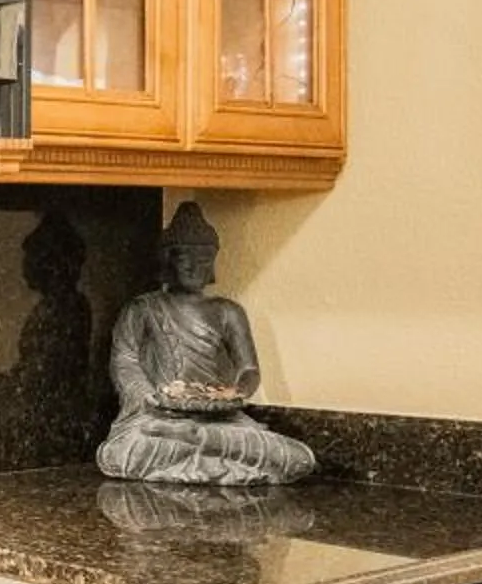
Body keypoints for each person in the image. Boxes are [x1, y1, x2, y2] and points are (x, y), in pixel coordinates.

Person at [95, 204, 317, 487]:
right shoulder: (143, 308)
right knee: (123, 452)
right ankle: (204, 448)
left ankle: (199, 441)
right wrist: (149, 397)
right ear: (167, 260)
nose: (193, 266)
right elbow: (125, 361)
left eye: (203, 258)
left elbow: (248, 369)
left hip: (220, 419)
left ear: (213, 262)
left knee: (297, 457)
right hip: (159, 417)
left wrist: (234, 394)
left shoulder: (228, 311)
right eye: (185, 257)